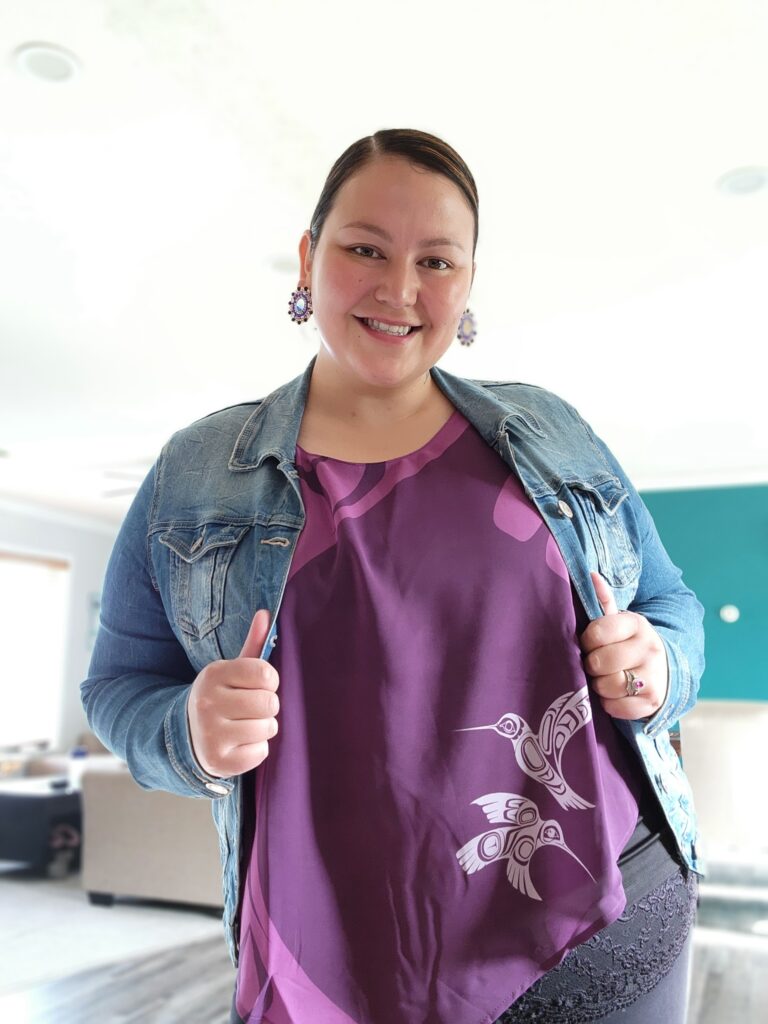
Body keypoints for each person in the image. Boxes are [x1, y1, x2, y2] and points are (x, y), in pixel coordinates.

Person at [82, 128, 705, 1024]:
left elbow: (670, 608)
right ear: (309, 257)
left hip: (603, 912)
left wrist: (656, 664)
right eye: (365, 249)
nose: (400, 289)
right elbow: (118, 687)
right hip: (334, 953)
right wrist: (187, 730)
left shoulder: (552, 431)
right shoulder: (196, 472)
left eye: (437, 261)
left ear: (468, 283)